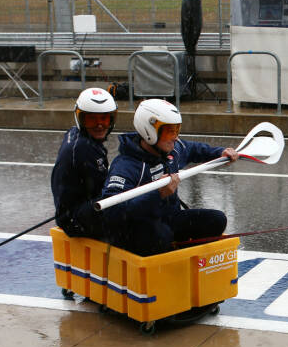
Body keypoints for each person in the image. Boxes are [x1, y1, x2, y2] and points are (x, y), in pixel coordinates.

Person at [101, 99, 237, 256]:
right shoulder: (126, 166)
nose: (175, 137)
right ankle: (165, 262)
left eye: (176, 130)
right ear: (149, 130)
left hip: (168, 218)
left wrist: (220, 153)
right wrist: (157, 194)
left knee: (217, 220)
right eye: (169, 131)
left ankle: (188, 262)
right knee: (161, 235)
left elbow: (193, 149)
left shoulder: (171, 150)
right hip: (138, 228)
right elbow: (111, 214)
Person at [51, 88, 118, 239]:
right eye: (91, 120)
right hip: (74, 220)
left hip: (75, 209)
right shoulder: (84, 149)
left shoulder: (77, 135)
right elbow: (105, 192)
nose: (99, 125)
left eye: (104, 119)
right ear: (80, 119)